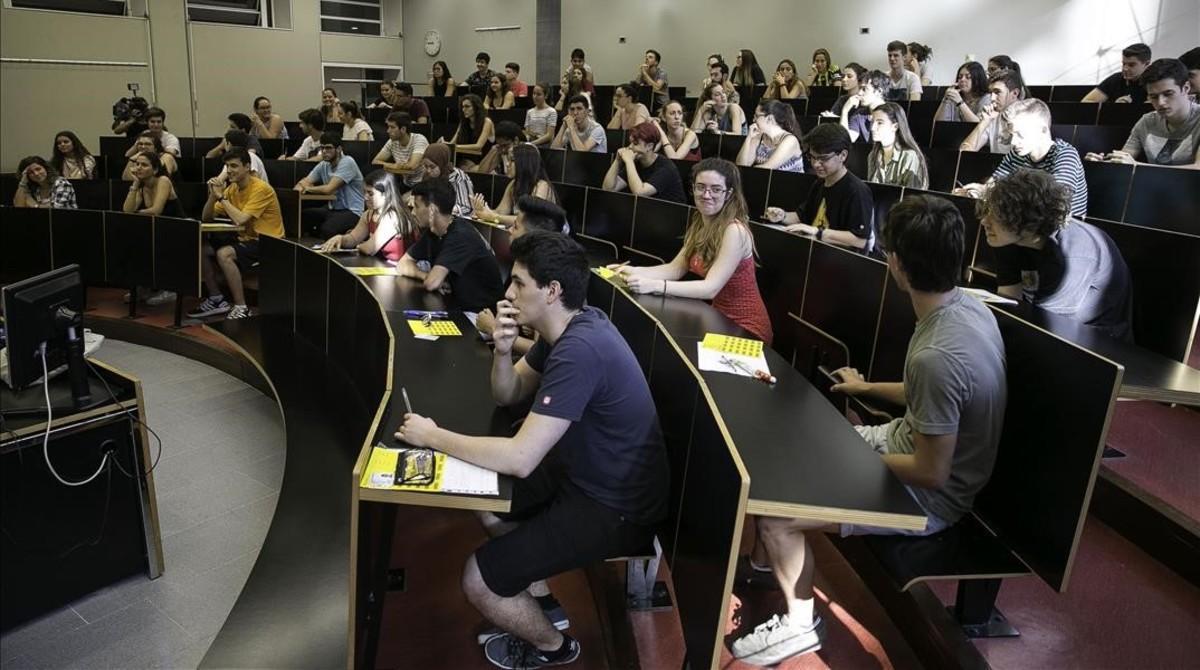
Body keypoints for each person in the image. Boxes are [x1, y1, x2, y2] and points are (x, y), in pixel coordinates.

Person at [732, 194, 1006, 666]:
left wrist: (847, 456)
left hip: (929, 500)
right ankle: (763, 564)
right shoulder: (964, 308)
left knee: (776, 512)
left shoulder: (938, 354)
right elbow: (935, 397)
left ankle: (799, 626)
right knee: (781, 455)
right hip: (904, 446)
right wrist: (867, 387)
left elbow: (931, 471)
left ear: (896, 264)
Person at [394, 230, 667, 669]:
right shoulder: (568, 326)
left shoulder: (581, 349)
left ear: (552, 290)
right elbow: (509, 392)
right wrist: (502, 350)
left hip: (616, 506)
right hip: (583, 473)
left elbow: (521, 459)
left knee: (478, 579)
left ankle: (554, 649)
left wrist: (432, 436)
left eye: (519, 282)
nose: (508, 291)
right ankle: (540, 600)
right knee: (487, 505)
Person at [613, 157, 772, 342]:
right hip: (718, 319)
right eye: (700, 187)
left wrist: (655, 286)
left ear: (728, 194)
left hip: (746, 328)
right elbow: (675, 269)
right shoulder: (700, 222)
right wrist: (631, 271)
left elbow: (710, 289)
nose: (706, 194)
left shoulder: (734, 231)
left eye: (716, 189)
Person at [979, 169, 1132, 339]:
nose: (985, 221)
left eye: (997, 215)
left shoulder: (1073, 254)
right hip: (1042, 324)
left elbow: (1050, 327)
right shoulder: (1008, 238)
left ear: (1027, 219)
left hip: (1097, 340)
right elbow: (1008, 302)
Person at [191, 148, 285, 320]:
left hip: (269, 241)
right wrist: (213, 196)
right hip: (246, 238)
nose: (229, 170)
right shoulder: (232, 189)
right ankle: (216, 299)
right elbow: (207, 217)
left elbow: (240, 220)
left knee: (224, 254)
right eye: (227, 166)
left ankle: (242, 307)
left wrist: (221, 198)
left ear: (247, 167)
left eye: (234, 166)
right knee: (202, 248)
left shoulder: (261, 189)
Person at [956, 99, 1088, 218]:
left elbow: (1054, 205)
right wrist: (978, 191)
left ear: (1042, 130)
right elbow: (993, 185)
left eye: (1020, 135)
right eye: (1012, 135)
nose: (1013, 142)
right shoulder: (1017, 153)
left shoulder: (1066, 154)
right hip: (1026, 219)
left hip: (1061, 229)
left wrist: (994, 194)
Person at [764, 123, 875, 253]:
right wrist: (782, 216)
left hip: (840, 260)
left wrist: (818, 233)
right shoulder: (819, 184)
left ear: (843, 155)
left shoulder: (857, 191)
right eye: (812, 157)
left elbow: (859, 240)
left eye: (823, 159)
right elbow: (802, 216)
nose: (816, 164)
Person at [396, 179, 503, 312]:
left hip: (480, 315)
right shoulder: (433, 232)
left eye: (417, 206)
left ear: (432, 210)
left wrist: (430, 278)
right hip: (456, 305)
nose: (412, 212)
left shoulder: (461, 235)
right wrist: (424, 275)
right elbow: (402, 264)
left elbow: (432, 283)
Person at [1086, 58, 1200, 167]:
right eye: (1153, 96)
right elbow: (1125, 157)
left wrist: (1137, 166)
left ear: (1186, 88)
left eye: (1168, 94)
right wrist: (1103, 163)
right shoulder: (1147, 121)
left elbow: (1197, 168)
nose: (1161, 102)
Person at [320, 170, 417, 263]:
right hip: (381, 265)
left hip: (397, 269)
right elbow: (353, 238)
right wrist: (340, 239)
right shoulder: (369, 214)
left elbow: (370, 249)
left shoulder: (392, 217)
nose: (365, 197)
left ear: (386, 194)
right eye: (365, 192)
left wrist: (360, 245)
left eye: (370, 194)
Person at [296, 132, 366, 238]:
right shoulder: (324, 164)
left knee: (327, 230)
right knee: (302, 216)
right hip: (332, 208)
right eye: (322, 148)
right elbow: (305, 181)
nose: (324, 151)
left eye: (328, 148)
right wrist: (299, 188)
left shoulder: (347, 162)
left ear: (338, 149)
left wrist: (307, 188)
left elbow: (329, 189)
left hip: (352, 211)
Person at [474, 143, 559, 227]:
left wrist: (494, 217)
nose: (507, 164)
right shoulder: (513, 184)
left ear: (524, 163)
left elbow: (529, 220)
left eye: (512, 160)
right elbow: (500, 212)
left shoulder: (541, 186)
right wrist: (483, 211)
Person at [602, 122, 687, 203]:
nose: (630, 147)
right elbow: (608, 189)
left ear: (649, 146)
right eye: (630, 143)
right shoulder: (637, 161)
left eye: (635, 144)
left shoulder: (666, 168)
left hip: (672, 214)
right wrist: (617, 161)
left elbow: (639, 192)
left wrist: (629, 162)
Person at [960, 69, 1026, 153]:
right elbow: (964, 151)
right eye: (991, 93)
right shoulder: (992, 116)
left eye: (997, 92)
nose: (992, 98)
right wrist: (984, 122)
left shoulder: (1028, 118)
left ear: (1015, 93)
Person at [868, 103, 929, 189]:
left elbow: (912, 196)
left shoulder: (909, 156)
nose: (872, 128)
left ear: (895, 126)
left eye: (880, 123)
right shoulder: (872, 156)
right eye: (872, 122)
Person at [735, 99, 804, 172]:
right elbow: (741, 165)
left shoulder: (790, 140)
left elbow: (767, 168)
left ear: (769, 118)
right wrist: (748, 138)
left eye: (757, 116)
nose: (753, 120)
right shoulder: (759, 135)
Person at [372, 111, 429, 188]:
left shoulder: (419, 139)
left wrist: (391, 166)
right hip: (406, 183)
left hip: (422, 184)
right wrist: (394, 166)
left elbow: (412, 166)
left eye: (392, 127)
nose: (388, 131)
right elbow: (375, 162)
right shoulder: (392, 142)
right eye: (388, 127)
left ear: (403, 129)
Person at [418, 143, 475, 216]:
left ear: (442, 164)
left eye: (432, 167)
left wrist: (441, 209)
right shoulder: (427, 175)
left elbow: (466, 207)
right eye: (426, 166)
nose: (428, 170)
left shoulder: (459, 177)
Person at [1083, 43, 1152, 103]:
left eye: (1131, 65)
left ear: (1146, 64)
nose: (1125, 69)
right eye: (1124, 64)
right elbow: (1086, 103)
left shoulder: (1155, 81)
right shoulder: (1116, 79)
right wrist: (1115, 106)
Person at [123, 150, 183, 217]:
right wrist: (135, 183)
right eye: (137, 164)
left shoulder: (163, 180)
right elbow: (127, 210)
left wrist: (136, 213)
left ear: (155, 170)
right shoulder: (141, 186)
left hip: (177, 224)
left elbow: (156, 211)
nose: (139, 168)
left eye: (144, 165)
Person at [838, 68, 890, 143]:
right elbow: (846, 140)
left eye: (864, 89)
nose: (859, 93)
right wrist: (845, 111)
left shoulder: (892, 113)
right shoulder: (859, 115)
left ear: (879, 91)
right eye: (860, 88)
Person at [445, 94, 495, 166]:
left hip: (483, 161)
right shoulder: (463, 123)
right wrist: (445, 144)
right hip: (466, 160)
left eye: (467, 106)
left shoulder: (487, 122)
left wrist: (456, 147)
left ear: (476, 107)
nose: (463, 110)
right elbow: (452, 143)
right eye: (463, 107)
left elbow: (478, 146)